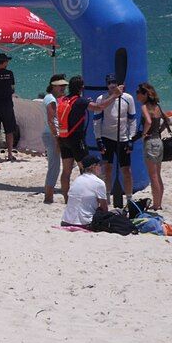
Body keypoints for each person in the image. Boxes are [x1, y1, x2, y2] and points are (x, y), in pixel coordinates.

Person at [57, 76, 120, 202]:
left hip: (63, 138)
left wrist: (86, 102)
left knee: (66, 171)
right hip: (76, 139)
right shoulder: (81, 101)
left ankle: (66, 199)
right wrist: (115, 95)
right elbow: (99, 107)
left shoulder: (64, 99)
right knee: (87, 168)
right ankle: (89, 197)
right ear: (81, 88)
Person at [93, 73, 137, 202]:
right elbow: (96, 121)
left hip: (123, 139)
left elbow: (132, 120)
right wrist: (98, 139)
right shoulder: (102, 99)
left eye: (114, 83)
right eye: (109, 84)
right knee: (107, 169)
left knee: (127, 171)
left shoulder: (128, 98)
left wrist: (131, 139)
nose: (112, 86)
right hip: (107, 138)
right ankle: (106, 197)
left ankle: (129, 199)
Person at [136, 82, 168, 210]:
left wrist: (144, 134)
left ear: (145, 94)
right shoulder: (157, 106)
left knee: (153, 175)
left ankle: (156, 204)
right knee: (158, 174)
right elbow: (167, 120)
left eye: (138, 93)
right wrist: (159, 131)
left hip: (150, 142)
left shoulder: (145, 107)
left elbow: (148, 121)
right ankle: (159, 203)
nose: (136, 95)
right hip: (159, 141)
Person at [60, 155, 107, 228]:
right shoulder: (99, 183)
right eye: (99, 165)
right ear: (93, 166)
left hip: (66, 221)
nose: (101, 168)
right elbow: (104, 208)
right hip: (85, 223)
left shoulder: (76, 180)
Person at [41, 74, 68, 204]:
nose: (63, 88)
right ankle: (48, 196)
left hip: (50, 134)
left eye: (64, 86)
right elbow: (51, 121)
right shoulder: (51, 99)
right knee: (54, 166)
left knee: (57, 165)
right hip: (52, 135)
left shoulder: (51, 98)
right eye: (60, 86)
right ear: (53, 86)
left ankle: (49, 195)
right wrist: (57, 138)